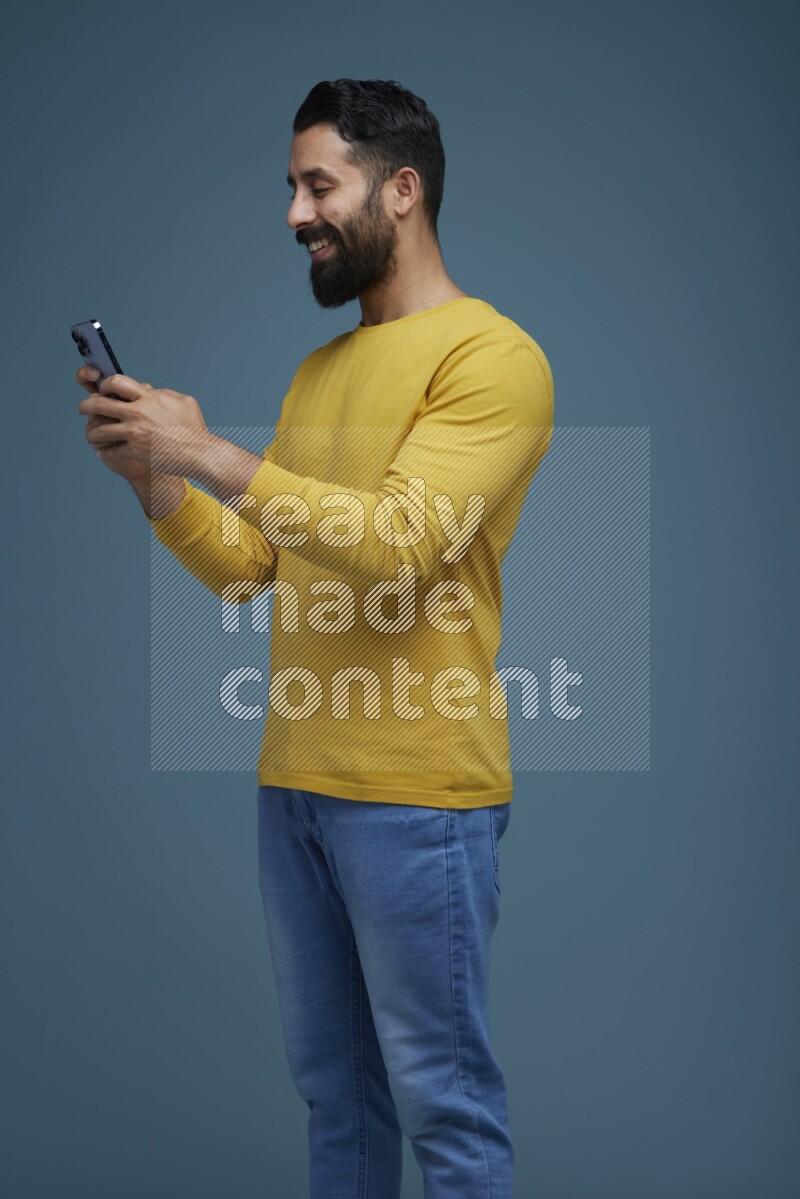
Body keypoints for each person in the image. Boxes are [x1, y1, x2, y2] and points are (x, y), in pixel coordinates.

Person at [77, 77, 554, 1199]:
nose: (295, 213)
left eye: (316, 185)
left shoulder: (493, 359)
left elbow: (396, 547)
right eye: (292, 188)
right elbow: (258, 570)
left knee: (443, 1098)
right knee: (336, 1098)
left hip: (416, 797)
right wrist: (156, 479)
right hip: (294, 783)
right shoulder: (322, 370)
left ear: (400, 190)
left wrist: (214, 457)